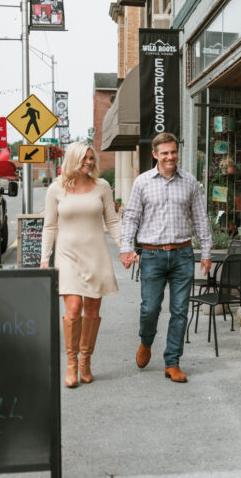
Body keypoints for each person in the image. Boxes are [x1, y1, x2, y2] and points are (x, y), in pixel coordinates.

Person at [119, 132, 212, 383]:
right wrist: (125, 248)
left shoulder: (190, 182)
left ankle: (172, 362)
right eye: (165, 153)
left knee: (180, 310)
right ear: (155, 155)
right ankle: (146, 341)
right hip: (152, 254)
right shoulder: (142, 182)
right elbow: (131, 218)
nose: (170, 157)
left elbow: (200, 218)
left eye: (173, 152)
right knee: (150, 308)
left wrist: (205, 251)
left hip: (183, 254)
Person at [41, 142, 121, 388]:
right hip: (67, 255)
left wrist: (125, 248)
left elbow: (112, 220)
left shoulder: (102, 186)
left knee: (93, 311)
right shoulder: (56, 189)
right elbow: (50, 225)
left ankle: (86, 360)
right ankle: (72, 363)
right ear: (73, 159)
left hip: (96, 254)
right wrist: (45, 258)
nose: (89, 162)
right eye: (84, 158)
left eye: (91, 158)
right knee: (73, 309)